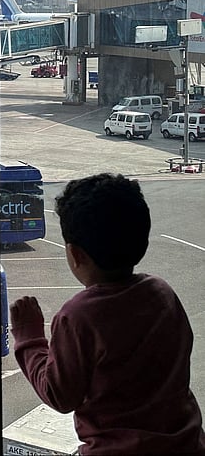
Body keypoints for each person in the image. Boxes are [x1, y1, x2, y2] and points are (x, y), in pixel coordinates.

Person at [10, 173, 205, 455]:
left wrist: (29, 338)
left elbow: (60, 395)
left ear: (75, 255)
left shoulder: (78, 316)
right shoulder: (162, 293)